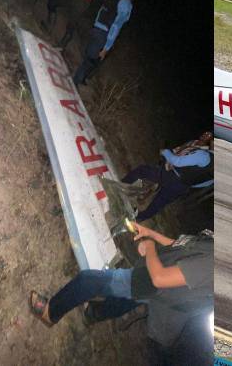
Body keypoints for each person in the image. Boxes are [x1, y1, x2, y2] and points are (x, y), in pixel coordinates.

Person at [29, 223, 213, 363]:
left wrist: (150, 247)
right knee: (129, 298)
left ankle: (50, 312)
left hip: (158, 287)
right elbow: (180, 245)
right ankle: (92, 314)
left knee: (89, 280)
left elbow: (160, 278)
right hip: (168, 295)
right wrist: (151, 234)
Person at [72, 0, 144, 86]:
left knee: (92, 58)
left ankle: (81, 79)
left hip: (96, 27)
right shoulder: (126, 4)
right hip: (104, 34)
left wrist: (95, 25)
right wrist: (107, 47)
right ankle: (75, 82)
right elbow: (116, 26)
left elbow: (101, 10)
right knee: (91, 60)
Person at [121, 139, 214, 222]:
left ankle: (120, 186)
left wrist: (166, 152)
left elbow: (177, 161)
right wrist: (188, 183)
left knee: (142, 171)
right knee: (159, 203)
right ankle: (139, 218)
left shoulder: (204, 155)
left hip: (172, 176)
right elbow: (204, 184)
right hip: (182, 187)